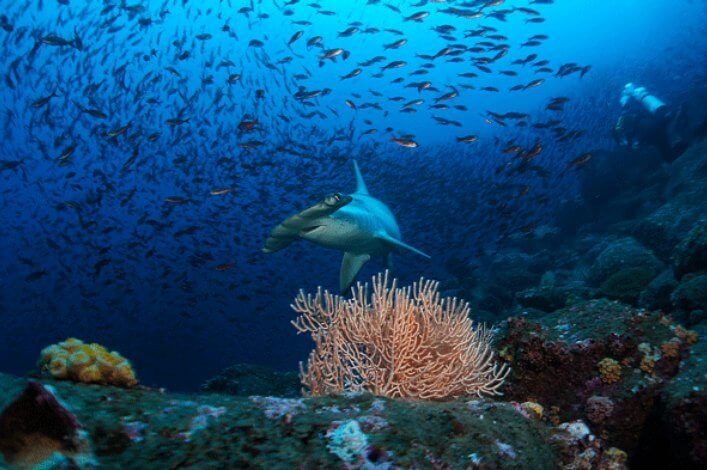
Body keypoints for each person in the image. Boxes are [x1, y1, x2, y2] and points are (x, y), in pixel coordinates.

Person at [612, 83, 688, 163]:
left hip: (650, 132)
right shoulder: (638, 112)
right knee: (668, 156)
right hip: (654, 127)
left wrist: (631, 143)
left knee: (668, 156)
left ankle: (677, 116)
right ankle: (687, 142)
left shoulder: (624, 119)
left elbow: (632, 136)